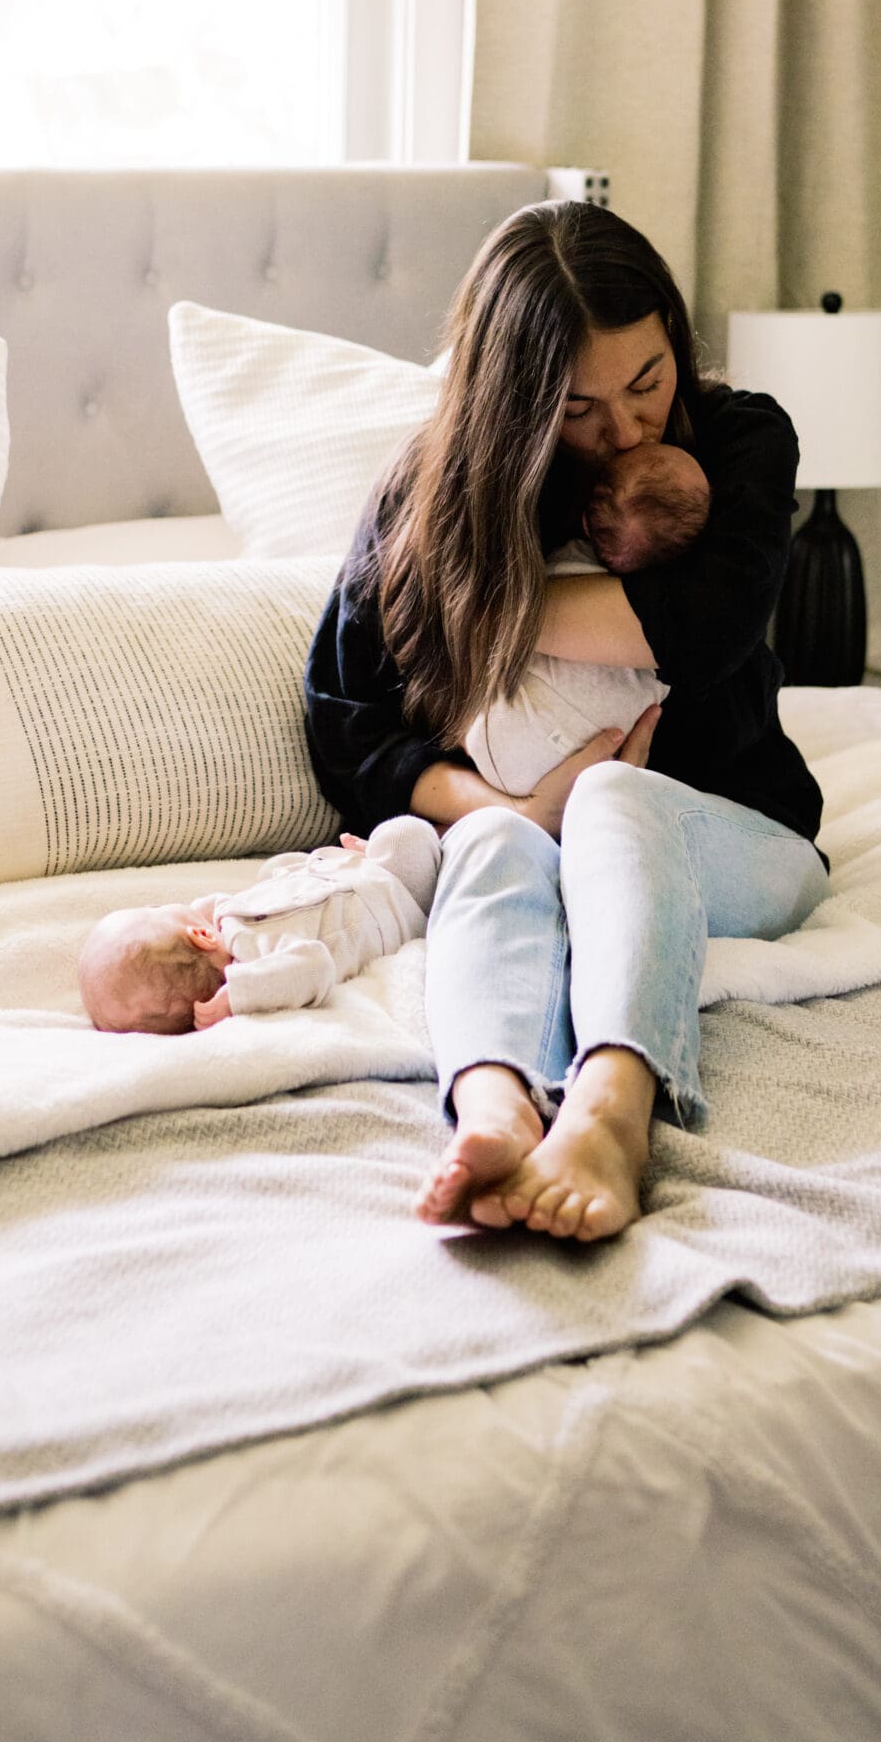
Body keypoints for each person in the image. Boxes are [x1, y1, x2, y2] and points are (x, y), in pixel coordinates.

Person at [303, 200, 830, 1245]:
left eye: (648, 380)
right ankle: (493, 1104)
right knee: (488, 841)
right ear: (516, 404)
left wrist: (481, 601)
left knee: (611, 795)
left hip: (741, 836)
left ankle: (610, 1109)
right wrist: (505, 804)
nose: (628, 429)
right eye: (582, 410)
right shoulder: (429, 496)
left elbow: (706, 628)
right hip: (526, 823)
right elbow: (343, 719)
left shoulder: (736, 439)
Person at [464, 440, 709, 798]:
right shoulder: (677, 610)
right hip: (594, 766)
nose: (625, 435)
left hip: (499, 748)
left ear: (585, 520)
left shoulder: (559, 568)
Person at [78, 817, 441, 1034]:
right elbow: (316, 965)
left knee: (276, 870)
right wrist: (240, 993)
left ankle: (363, 856)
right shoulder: (258, 967)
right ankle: (424, 853)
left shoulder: (227, 921)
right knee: (405, 834)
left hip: (337, 877)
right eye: (155, 908)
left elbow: (237, 899)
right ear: (201, 937)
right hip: (397, 901)